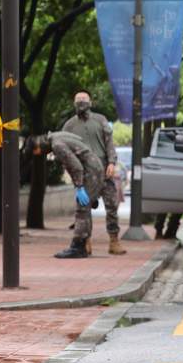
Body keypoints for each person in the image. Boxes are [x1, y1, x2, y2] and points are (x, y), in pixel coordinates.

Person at [62, 89, 124, 255]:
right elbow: (65, 151)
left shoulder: (100, 120)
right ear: (74, 103)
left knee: (112, 205)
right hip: (84, 173)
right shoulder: (69, 125)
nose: (81, 102)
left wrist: (112, 162)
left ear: (91, 102)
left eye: (84, 98)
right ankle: (86, 241)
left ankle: (114, 241)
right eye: (78, 99)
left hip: (104, 169)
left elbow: (109, 142)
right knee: (84, 208)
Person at [27, 132, 104, 259]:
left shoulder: (57, 145)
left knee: (82, 207)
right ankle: (84, 245)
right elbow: (81, 139)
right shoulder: (57, 136)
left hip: (91, 171)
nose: (40, 154)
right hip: (94, 167)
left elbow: (76, 167)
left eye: (38, 152)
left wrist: (79, 187)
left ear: (38, 146)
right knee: (85, 206)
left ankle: (78, 247)